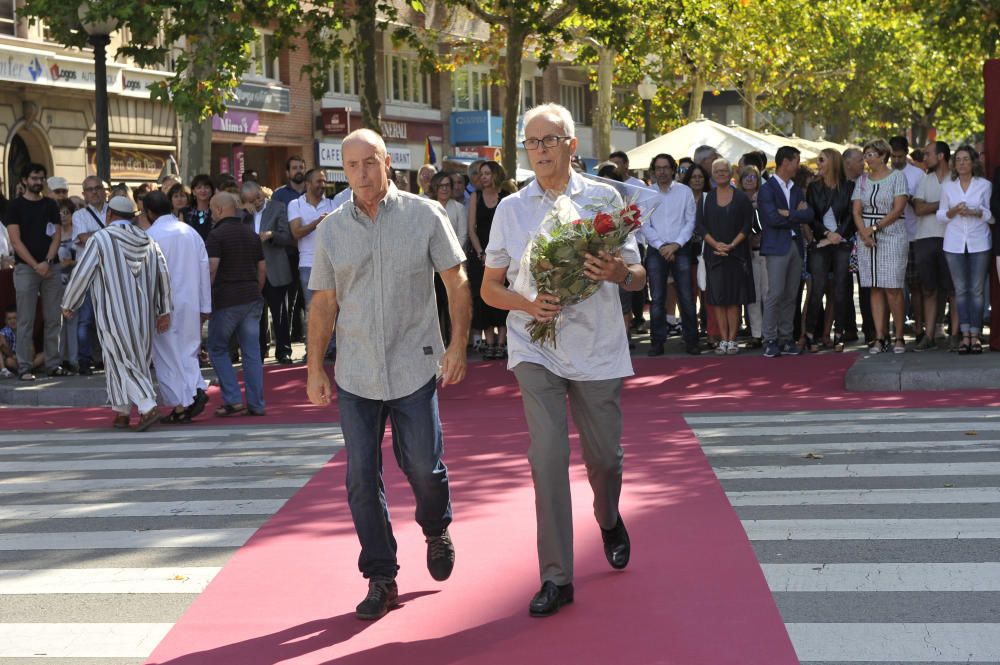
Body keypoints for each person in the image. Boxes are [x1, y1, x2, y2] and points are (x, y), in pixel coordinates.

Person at [481, 103, 644, 618]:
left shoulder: (604, 197)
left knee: (605, 459)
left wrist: (618, 271)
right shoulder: (511, 208)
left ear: (573, 145)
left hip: (597, 348)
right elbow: (490, 288)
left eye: (549, 140)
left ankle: (608, 515)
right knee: (547, 458)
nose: (540, 150)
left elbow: (638, 277)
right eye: (532, 142)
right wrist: (528, 304)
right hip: (535, 346)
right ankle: (556, 577)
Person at [305, 128, 471, 620]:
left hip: (414, 363)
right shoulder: (332, 228)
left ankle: (435, 527)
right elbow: (323, 303)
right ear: (344, 171)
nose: (361, 174)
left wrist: (458, 344)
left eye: (369, 163)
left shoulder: (425, 215)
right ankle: (382, 575)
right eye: (351, 166)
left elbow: (456, 283)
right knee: (360, 478)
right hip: (356, 371)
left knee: (423, 465)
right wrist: (315, 367)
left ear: (386, 163)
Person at [61, 196, 172, 431]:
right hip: (143, 313)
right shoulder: (148, 239)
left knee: (120, 358)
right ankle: (122, 412)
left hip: (113, 311)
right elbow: (163, 274)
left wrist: (69, 302)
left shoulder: (100, 239)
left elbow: (82, 273)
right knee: (132, 360)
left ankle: (147, 405)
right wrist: (164, 309)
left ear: (109, 214)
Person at [144, 191, 212, 423]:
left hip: (163, 305)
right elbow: (204, 270)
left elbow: (146, 277)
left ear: (149, 212)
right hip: (190, 301)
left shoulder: (150, 236)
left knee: (166, 355)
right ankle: (194, 389)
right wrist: (205, 305)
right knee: (188, 350)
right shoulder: (190, 232)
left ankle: (184, 402)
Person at [205, 192, 266, 416]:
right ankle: (257, 403)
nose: (211, 214)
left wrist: (205, 299)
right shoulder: (251, 235)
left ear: (219, 210)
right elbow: (262, 268)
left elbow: (212, 269)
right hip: (251, 297)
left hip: (227, 299)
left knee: (217, 348)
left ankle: (232, 399)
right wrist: (255, 290)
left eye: (212, 209)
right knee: (252, 352)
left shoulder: (216, 235)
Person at [4, 163, 66, 380]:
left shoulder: (50, 205)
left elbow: (56, 236)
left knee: (53, 318)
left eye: (41, 178)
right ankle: (24, 367)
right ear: (24, 180)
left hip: (51, 267)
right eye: (33, 178)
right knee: (25, 319)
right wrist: (35, 265)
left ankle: (53, 364)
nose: (38, 182)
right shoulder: (14, 207)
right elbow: (15, 241)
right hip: (25, 269)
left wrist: (47, 262)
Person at [852, 139, 910, 354]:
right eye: (865, 155)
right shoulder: (862, 181)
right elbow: (856, 210)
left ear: (883, 155)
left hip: (892, 233)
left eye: (871, 154)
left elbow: (898, 209)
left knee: (893, 287)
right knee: (874, 286)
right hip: (866, 234)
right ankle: (879, 336)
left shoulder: (897, 177)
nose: (867, 159)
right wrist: (864, 232)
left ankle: (900, 336)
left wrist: (874, 228)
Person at [937, 145, 994, 354]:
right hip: (954, 243)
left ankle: (976, 335)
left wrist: (976, 212)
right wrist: (953, 211)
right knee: (961, 290)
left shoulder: (984, 185)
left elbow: (991, 215)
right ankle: (964, 334)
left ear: (973, 162)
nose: (961, 163)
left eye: (966, 159)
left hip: (979, 241)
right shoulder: (947, 186)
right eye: (958, 159)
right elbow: (940, 215)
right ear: (954, 164)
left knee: (977, 291)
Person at [758, 146, 813, 358]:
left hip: (795, 245)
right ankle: (770, 338)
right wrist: (795, 215)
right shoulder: (767, 189)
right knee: (775, 293)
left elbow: (808, 214)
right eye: (797, 161)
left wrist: (788, 213)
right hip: (776, 246)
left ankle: (786, 337)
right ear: (786, 162)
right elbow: (770, 218)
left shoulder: (796, 188)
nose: (798, 166)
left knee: (791, 294)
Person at [642, 153, 698, 356]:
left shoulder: (685, 192)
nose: (662, 172)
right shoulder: (646, 193)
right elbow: (644, 224)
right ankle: (657, 342)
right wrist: (660, 246)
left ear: (673, 170)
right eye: (658, 168)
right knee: (657, 299)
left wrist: (675, 245)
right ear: (653, 171)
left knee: (686, 296)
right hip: (657, 251)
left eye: (666, 167)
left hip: (680, 248)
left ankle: (692, 341)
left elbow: (690, 221)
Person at [698, 159, 755, 354]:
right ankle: (723, 339)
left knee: (733, 299)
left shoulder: (741, 198)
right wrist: (716, 245)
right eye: (717, 171)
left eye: (724, 170)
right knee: (718, 299)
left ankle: (732, 339)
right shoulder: (706, 198)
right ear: (712, 174)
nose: (721, 173)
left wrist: (731, 245)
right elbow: (700, 226)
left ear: (731, 173)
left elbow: (747, 225)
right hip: (713, 255)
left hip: (736, 254)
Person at [805, 148, 855, 352]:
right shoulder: (813, 187)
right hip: (821, 242)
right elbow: (811, 217)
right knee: (817, 290)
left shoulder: (849, 187)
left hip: (842, 242)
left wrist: (837, 236)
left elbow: (852, 215)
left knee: (841, 290)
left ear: (832, 163)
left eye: (821, 160)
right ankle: (810, 335)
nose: (818, 164)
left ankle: (839, 334)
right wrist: (826, 235)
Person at [912, 141, 959, 351]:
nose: (924, 158)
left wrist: (936, 207)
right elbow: (918, 209)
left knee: (953, 290)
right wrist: (944, 206)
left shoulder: (956, 179)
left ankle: (955, 335)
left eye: (928, 154)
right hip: (924, 238)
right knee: (928, 289)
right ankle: (929, 336)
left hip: (952, 239)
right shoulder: (925, 179)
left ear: (941, 156)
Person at [242, 180, 294, 364]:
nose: (256, 201)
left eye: (258, 196)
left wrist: (272, 235)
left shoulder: (278, 207)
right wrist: (243, 215)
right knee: (257, 315)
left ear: (262, 192)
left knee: (280, 313)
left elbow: (288, 236)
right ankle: (259, 351)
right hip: (252, 271)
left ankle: (284, 351)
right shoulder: (244, 215)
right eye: (251, 199)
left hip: (275, 268)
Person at [289, 169, 336, 360]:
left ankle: (331, 348)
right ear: (308, 183)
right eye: (318, 181)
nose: (322, 185)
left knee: (331, 308)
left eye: (324, 181)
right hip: (308, 264)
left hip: (330, 264)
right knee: (312, 309)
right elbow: (296, 232)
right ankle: (313, 350)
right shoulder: (295, 204)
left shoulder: (332, 204)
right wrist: (318, 222)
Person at [467, 160, 511, 359]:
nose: (483, 177)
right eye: (480, 174)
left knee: (503, 295)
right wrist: (480, 253)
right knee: (482, 299)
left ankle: (502, 341)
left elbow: (512, 228)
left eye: (487, 173)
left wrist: (502, 254)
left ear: (495, 174)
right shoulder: (475, 196)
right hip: (481, 255)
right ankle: (489, 342)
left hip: (504, 255)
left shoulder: (507, 197)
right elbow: (471, 229)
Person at [890, 135, 928, 344]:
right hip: (890, 237)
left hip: (913, 236)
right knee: (892, 286)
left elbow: (923, 206)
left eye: (900, 156)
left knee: (916, 286)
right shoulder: (883, 174)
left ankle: (919, 326)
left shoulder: (917, 175)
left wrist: (908, 198)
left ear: (906, 153)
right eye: (893, 156)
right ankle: (896, 330)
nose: (896, 160)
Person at [738, 165, 766, 347]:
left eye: (753, 176)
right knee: (753, 295)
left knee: (768, 293)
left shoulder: (765, 198)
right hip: (744, 253)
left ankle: (770, 333)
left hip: (764, 251)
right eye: (746, 176)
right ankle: (756, 333)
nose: (749, 179)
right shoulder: (737, 199)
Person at [184, 174, 215, 241]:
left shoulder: (216, 211)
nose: (203, 190)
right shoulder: (185, 212)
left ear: (212, 191)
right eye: (199, 187)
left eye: (206, 187)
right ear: (193, 192)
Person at [0, 305, 25, 376]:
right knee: (9, 361)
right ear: (5, 321)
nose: (12, 321)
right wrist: (12, 355)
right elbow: (3, 344)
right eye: (9, 319)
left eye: (15, 318)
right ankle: (3, 370)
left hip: (22, 358)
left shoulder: (23, 331)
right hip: (8, 357)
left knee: (42, 355)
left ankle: (27, 368)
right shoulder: (5, 331)